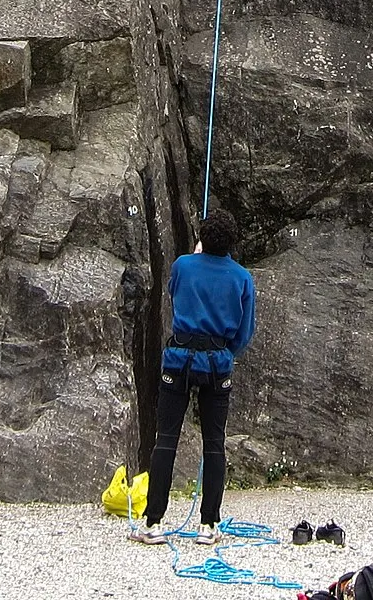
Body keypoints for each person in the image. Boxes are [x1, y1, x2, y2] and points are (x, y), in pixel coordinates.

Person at [129, 207, 257, 545]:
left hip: (179, 360)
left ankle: (152, 521)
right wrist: (226, 353)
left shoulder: (183, 265)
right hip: (217, 363)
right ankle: (208, 525)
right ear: (231, 243)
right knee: (214, 443)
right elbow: (244, 332)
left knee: (166, 439)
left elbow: (175, 294)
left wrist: (196, 255)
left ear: (201, 238)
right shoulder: (242, 277)